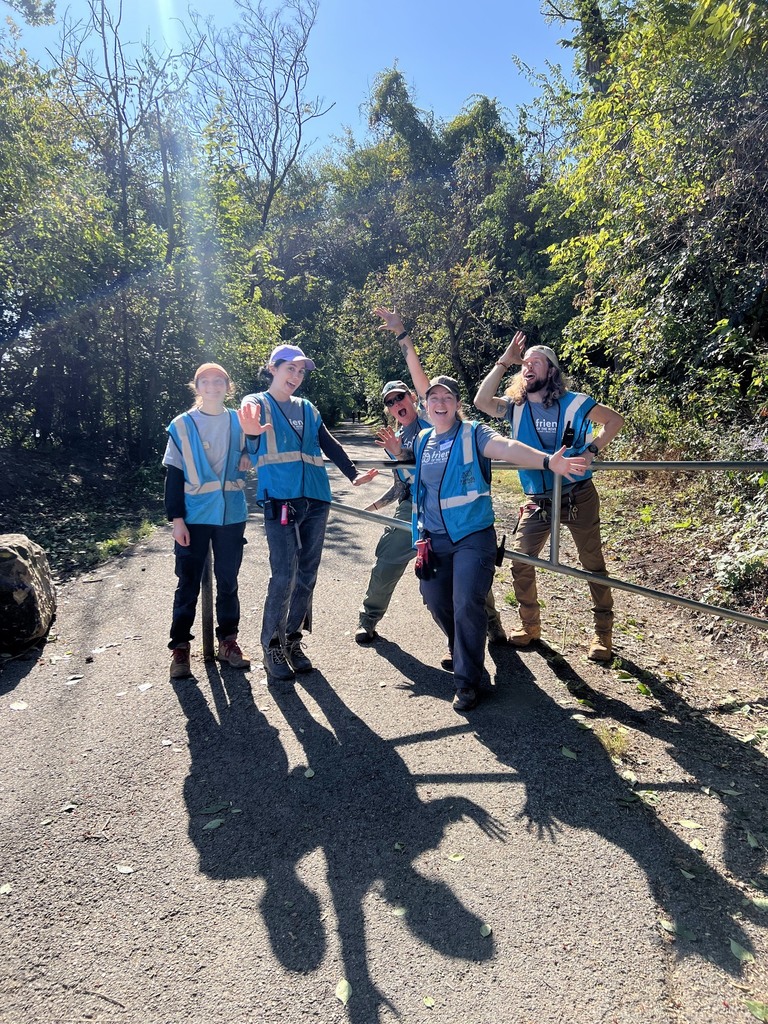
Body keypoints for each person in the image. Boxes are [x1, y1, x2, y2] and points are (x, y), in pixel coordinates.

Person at [411, 375, 587, 712]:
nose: (440, 403)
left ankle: (467, 682)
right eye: (433, 397)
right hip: (434, 539)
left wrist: (549, 461)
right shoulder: (422, 440)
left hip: (473, 538)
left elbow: (507, 448)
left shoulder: (473, 433)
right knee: (434, 600)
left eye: (447, 397)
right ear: (426, 405)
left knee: (466, 602)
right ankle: (463, 646)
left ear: (457, 404)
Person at [356, 308, 510, 647]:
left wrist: (401, 333)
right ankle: (368, 619)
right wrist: (377, 502)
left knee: (468, 574)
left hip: (449, 506)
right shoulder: (393, 435)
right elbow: (401, 484)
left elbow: (420, 376)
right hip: (414, 506)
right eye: (391, 401)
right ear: (388, 408)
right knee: (387, 561)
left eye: (401, 396)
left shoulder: (433, 417)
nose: (397, 403)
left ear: (414, 399)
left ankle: (491, 625)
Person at [474, 336, 624, 661]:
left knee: (592, 565)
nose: (528, 365)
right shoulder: (514, 406)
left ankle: (603, 636)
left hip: (578, 495)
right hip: (537, 499)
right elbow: (481, 401)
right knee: (520, 562)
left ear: (552, 370)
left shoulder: (575, 402)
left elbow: (615, 420)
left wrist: (592, 450)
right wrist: (504, 361)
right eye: (525, 362)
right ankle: (530, 627)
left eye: (536, 361)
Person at [238, 345, 377, 683]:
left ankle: (292, 640)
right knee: (283, 575)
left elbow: (328, 442)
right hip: (279, 501)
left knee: (308, 575)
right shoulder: (257, 402)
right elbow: (249, 423)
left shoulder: (308, 408)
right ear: (273, 368)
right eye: (291, 369)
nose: (297, 377)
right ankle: (271, 644)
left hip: (316, 499)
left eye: (301, 372)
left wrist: (352, 473)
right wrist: (250, 431)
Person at [163, 362, 251, 680]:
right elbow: (173, 477)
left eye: (219, 381)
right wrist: (176, 520)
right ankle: (180, 650)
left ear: (228, 387)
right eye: (206, 381)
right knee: (187, 585)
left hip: (231, 514)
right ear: (196, 387)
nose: (213, 386)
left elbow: (257, 448)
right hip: (194, 516)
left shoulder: (240, 421)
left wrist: (249, 456)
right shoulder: (182, 425)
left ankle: (228, 643)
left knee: (228, 583)